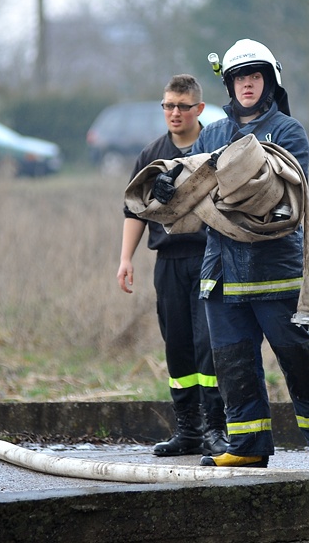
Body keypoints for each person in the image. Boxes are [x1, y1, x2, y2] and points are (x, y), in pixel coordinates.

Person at [185, 39, 309, 470]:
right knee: (233, 362)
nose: (247, 85)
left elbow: (286, 197)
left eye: (255, 77)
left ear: (269, 81)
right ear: (230, 85)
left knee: (295, 355)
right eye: (239, 78)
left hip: (275, 270)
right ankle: (248, 446)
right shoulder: (213, 133)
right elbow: (189, 188)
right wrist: (170, 187)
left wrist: (222, 192)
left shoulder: (288, 132)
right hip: (221, 272)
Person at [118, 75, 228, 457]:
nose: (174, 113)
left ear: (199, 108)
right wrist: (125, 259)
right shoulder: (151, 155)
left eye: (182, 106)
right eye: (168, 105)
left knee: (207, 345)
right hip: (168, 262)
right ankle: (188, 431)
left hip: (208, 258)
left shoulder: (214, 146)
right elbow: (134, 209)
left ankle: (217, 430)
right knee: (178, 346)